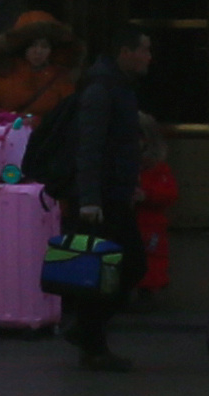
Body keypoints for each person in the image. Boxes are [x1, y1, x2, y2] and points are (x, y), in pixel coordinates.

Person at [58, 26, 152, 371]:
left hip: (113, 194)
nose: (149, 58)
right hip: (102, 200)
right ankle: (89, 335)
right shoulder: (102, 89)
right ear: (125, 52)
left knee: (107, 269)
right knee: (118, 266)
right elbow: (91, 146)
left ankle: (90, 337)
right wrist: (90, 198)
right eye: (145, 50)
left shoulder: (116, 86)